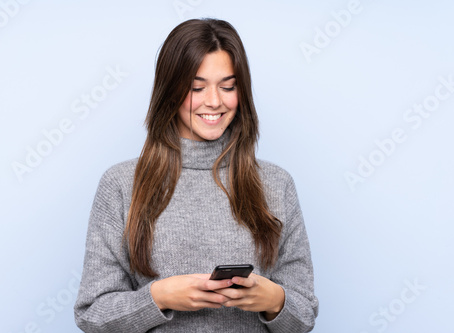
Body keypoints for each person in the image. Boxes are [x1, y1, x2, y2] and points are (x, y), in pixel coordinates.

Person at [74, 18, 318, 332]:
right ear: (170, 90)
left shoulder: (276, 184)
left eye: (228, 87)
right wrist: (159, 297)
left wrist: (274, 300)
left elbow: (305, 317)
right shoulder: (121, 185)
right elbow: (92, 315)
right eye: (196, 87)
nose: (214, 101)